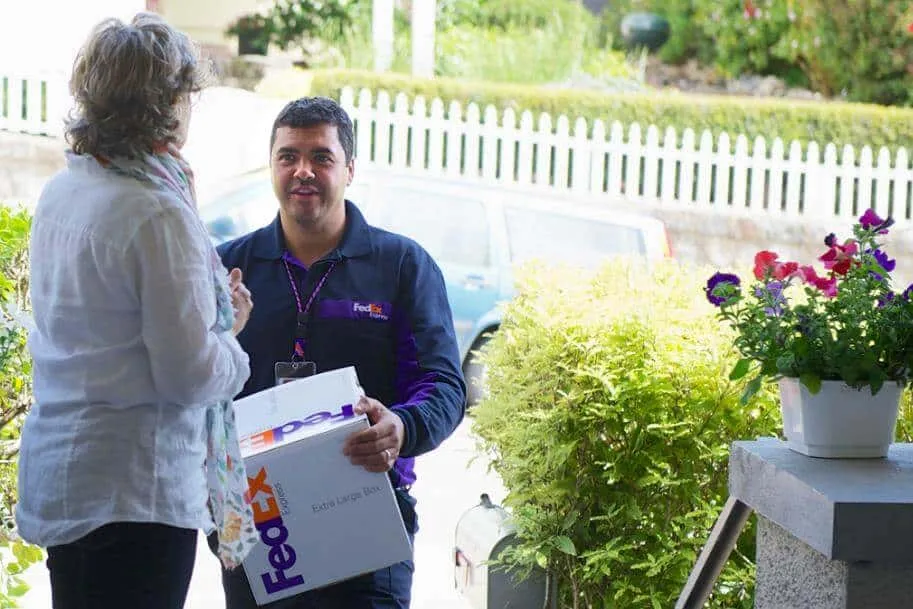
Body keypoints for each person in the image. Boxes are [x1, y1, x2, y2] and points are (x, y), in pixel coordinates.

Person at [15, 13, 259, 609]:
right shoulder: (156, 210)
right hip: (134, 494)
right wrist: (232, 334)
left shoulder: (66, 189)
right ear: (165, 104)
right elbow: (187, 376)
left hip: (66, 482)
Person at [215, 96, 467, 608]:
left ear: (350, 168)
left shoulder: (402, 266)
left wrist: (401, 426)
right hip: (259, 523)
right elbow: (191, 384)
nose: (303, 171)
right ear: (271, 167)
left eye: (321, 157)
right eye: (288, 156)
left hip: (369, 517)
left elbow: (444, 385)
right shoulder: (228, 268)